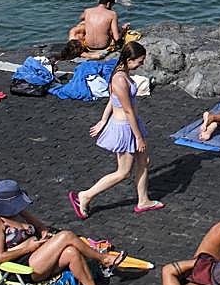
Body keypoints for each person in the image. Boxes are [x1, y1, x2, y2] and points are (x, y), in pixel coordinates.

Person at [0, 179, 120, 285]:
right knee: (66, 236)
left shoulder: (19, 212)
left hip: (39, 256)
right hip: (24, 267)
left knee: (71, 252)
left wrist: (44, 236)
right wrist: (28, 248)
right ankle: (103, 258)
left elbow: (41, 227)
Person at [70, 42, 163, 217]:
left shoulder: (123, 72)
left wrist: (103, 120)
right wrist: (138, 137)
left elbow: (112, 100)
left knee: (144, 162)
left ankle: (143, 200)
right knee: (123, 172)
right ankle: (85, 195)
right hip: (126, 128)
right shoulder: (119, 79)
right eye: (139, 61)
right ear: (129, 59)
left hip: (133, 124)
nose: (141, 64)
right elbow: (127, 110)